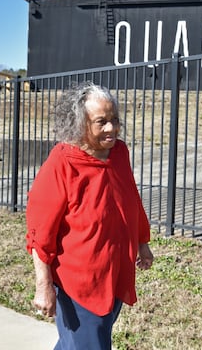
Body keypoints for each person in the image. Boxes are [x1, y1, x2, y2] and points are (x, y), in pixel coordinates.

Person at [25, 81, 154, 350]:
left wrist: (142, 241)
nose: (111, 128)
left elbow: (130, 199)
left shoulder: (119, 153)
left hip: (115, 273)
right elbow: (41, 230)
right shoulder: (63, 161)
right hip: (80, 284)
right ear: (80, 123)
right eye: (101, 121)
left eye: (114, 120)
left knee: (77, 343)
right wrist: (43, 285)